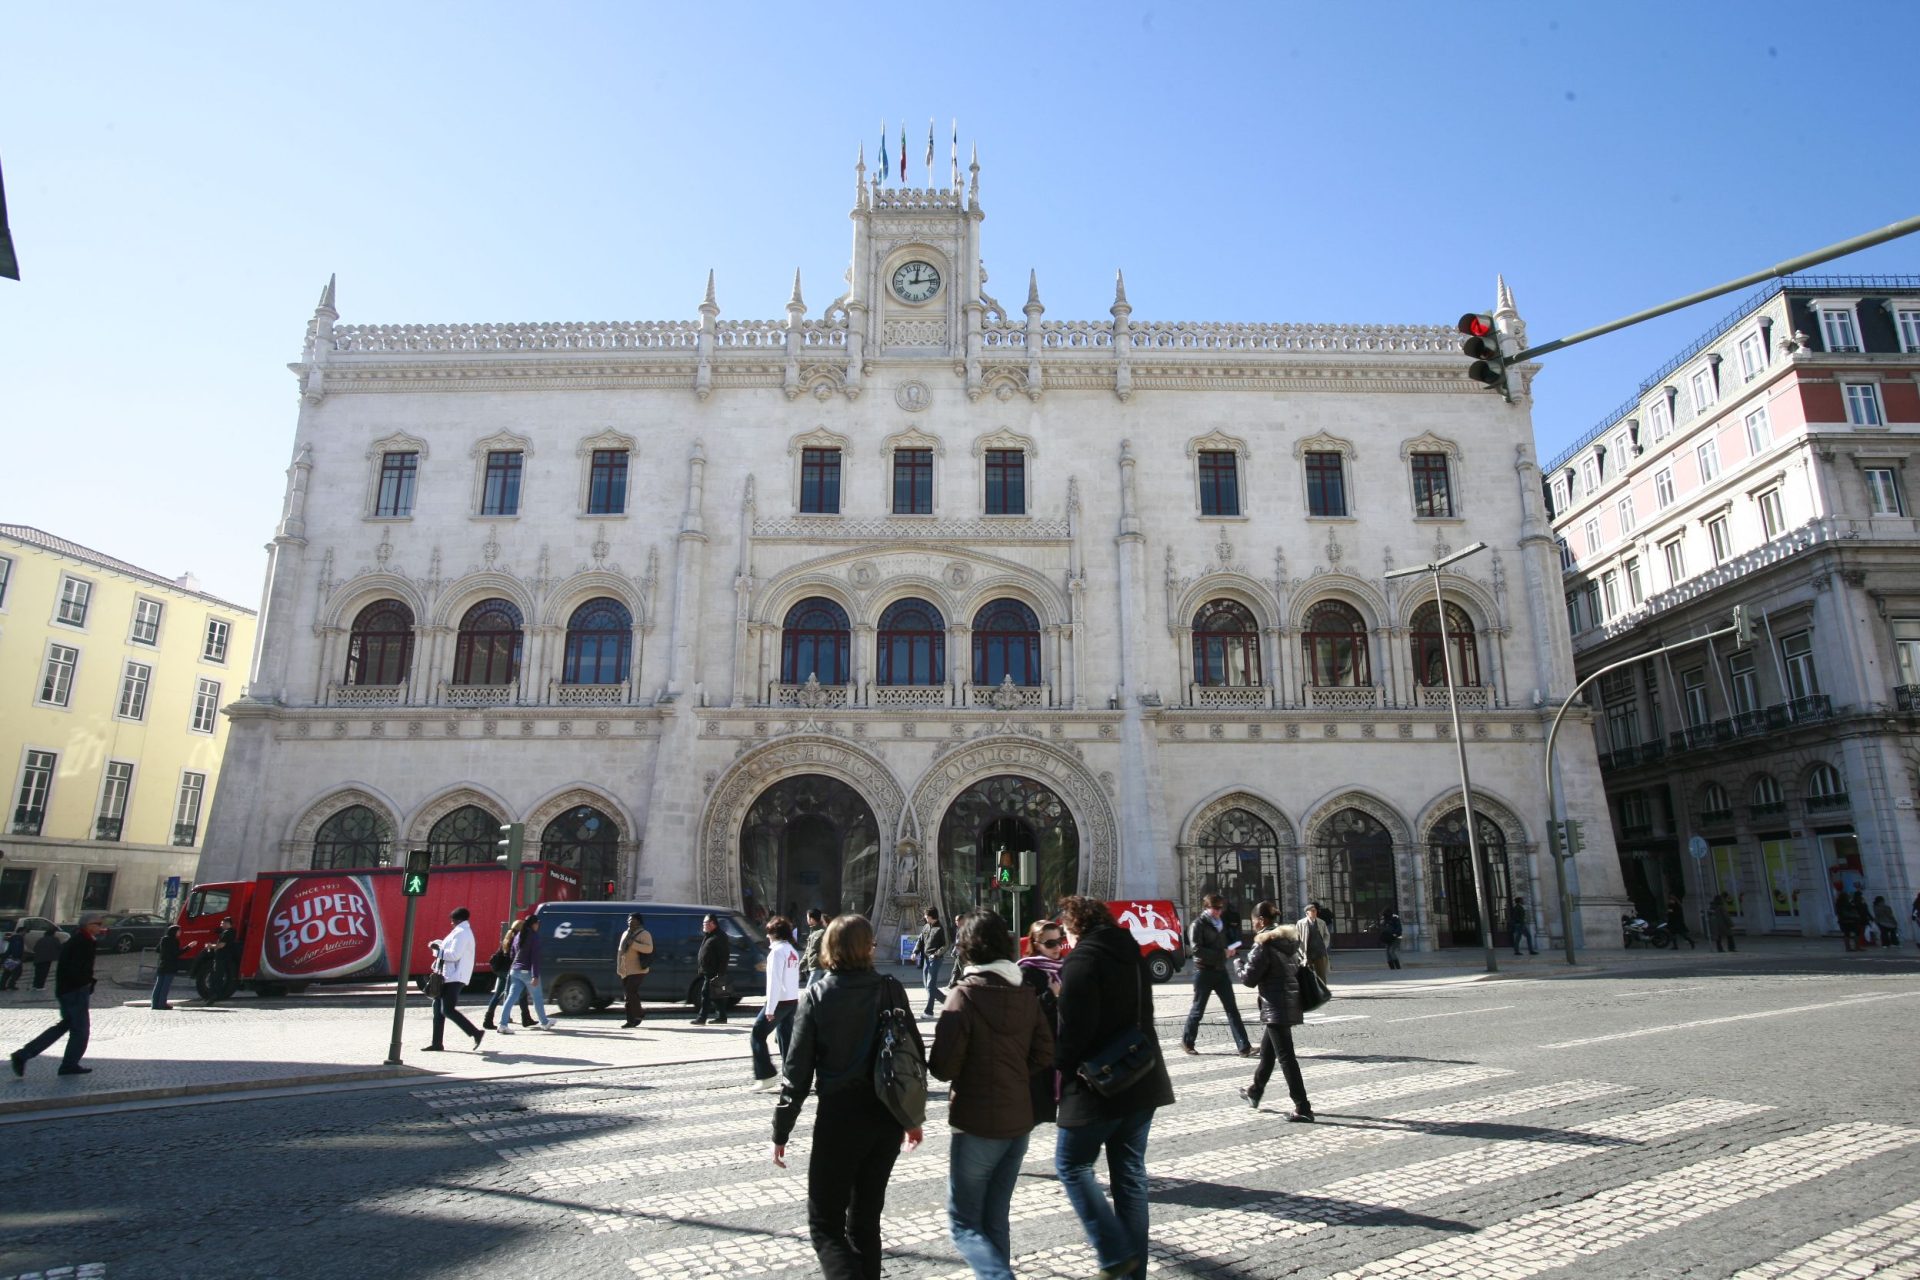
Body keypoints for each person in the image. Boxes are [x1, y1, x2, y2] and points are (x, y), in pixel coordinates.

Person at [772, 914, 925, 1280]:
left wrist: (781, 1131)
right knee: (865, 1222)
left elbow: (796, 1075)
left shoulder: (817, 995)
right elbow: (913, 1055)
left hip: (840, 1117)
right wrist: (911, 1119)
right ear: (868, 947)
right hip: (885, 1116)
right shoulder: (890, 988)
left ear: (828, 949)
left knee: (825, 1226)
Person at [1052, 896, 1174, 1280]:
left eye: (1066, 930)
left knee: (1071, 1165)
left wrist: (1058, 1067)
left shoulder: (1082, 961)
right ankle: (1133, 1271)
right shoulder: (1133, 953)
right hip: (1142, 1076)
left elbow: (1075, 1032)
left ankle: (1113, 1251)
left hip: (1098, 1085)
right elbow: (1145, 1013)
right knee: (1130, 1175)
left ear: (1075, 925)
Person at [929, 910, 1054, 1279]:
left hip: (977, 1122)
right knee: (995, 1217)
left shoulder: (962, 996)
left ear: (967, 949)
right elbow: (1045, 1053)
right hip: (1019, 1123)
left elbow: (942, 1067)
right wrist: (1014, 1076)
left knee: (964, 1223)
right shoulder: (1026, 993)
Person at [1235, 902, 1314, 1122]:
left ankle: (1303, 1107)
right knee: (1268, 1053)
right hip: (1288, 1002)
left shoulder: (1263, 944)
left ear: (1261, 920)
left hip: (1276, 1006)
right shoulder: (1287, 941)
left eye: (1253, 922)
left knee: (1286, 1058)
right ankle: (1255, 1091)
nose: (1253, 926)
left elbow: (1249, 979)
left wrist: (1237, 965)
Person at [11, 915, 107, 1077]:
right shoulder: (82, 941)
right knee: (81, 1030)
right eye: (96, 924)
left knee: (65, 1026)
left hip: (70, 989)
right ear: (87, 926)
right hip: (75, 991)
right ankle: (68, 1065)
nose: (100, 927)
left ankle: (24, 1054)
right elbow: (75, 967)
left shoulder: (83, 940)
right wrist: (85, 983)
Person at [1180, 893, 1251, 1057]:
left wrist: (1231, 949)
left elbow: (1222, 944)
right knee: (1198, 1009)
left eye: (1221, 907)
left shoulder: (1220, 924)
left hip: (1220, 971)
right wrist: (1222, 953)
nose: (1219, 911)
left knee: (1232, 1009)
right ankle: (1187, 1042)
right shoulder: (1197, 924)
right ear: (1207, 907)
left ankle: (1244, 1046)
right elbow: (1196, 950)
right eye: (1216, 908)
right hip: (1203, 971)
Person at [1017, 919, 1066, 1126]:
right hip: (1041, 1050)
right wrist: (1051, 995)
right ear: (1036, 944)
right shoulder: (1026, 971)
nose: (1057, 948)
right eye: (1050, 943)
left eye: (1059, 941)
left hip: (1065, 1047)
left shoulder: (1066, 967)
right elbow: (1024, 1012)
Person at [424, 907, 485, 1052]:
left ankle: (476, 1032)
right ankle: (436, 1043)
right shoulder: (460, 932)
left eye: (452, 921)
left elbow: (454, 955)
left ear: (456, 920)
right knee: (438, 1010)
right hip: (448, 976)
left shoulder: (462, 933)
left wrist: (436, 950)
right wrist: (438, 946)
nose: (451, 924)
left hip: (454, 976)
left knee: (447, 1010)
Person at [751, 916, 802, 1090]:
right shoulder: (792, 951)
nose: (767, 936)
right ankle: (793, 1077)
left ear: (775, 934)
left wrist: (770, 1008)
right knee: (785, 1039)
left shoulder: (776, 953)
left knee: (757, 1034)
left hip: (779, 1001)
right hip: (791, 1000)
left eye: (769, 933)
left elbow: (774, 982)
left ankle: (766, 1075)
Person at [493, 914, 557, 1034]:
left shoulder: (518, 935)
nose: (538, 925)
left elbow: (512, 953)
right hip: (527, 971)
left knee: (511, 998)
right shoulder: (534, 937)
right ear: (534, 924)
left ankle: (502, 1024)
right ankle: (544, 1022)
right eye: (538, 923)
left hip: (515, 971)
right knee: (537, 997)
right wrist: (535, 975)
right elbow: (535, 958)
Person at [482, 920, 535, 1030]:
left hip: (501, 970)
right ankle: (525, 1019)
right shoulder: (518, 938)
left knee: (498, 995)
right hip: (509, 970)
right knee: (520, 993)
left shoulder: (507, 937)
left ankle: (488, 1020)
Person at [616, 912, 654, 1028]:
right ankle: (630, 1020)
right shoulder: (625, 933)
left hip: (638, 969)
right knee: (628, 995)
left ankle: (639, 1014)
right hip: (625, 970)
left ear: (639, 921)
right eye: (628, 920)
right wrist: (619, 967)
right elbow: (620, 951)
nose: (630, 922)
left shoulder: (644, 934)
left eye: (632, 920)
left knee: (630, 992)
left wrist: (634, 944)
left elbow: (649, 949)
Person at [692, 913, 731, 1025]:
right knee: (717, 995)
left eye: (706, 923)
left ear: (713, 923)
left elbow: (724, 956)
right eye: (703, 923)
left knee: (705, 994)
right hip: (709, 971)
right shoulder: (709, 935)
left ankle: (701, 1018)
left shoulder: (719, 936)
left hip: (714, 972)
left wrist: (720, 974)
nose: (703, 925)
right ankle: (721, 1017)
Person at [910, 907, 949, 1018]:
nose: (925, 917)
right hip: (926, 959)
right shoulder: (926, 926)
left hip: (935, 959)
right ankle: (949, 1003)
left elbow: (946, 945)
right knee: (928, 986)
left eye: (926, 916)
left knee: (930, 986)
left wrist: (936, 954)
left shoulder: (941, 928)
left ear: (932, 916)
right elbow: (920, 940)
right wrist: (915, 952)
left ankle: (929, 1011)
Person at [1296, 902, 1331, 985]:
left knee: (1321, 975)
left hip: (1320, 952)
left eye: (1315, 911)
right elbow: (1296, 938)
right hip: (1307, 953)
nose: (1315, 912)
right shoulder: (1300, 923)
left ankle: (1323, 993)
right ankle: (1310, 993)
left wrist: (1324, 945)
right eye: (1312, 911)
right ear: (1307, 913)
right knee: (1307, 974)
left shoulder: (1321, 922)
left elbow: (1327, 935)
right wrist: (1300, 950)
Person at [151, 925, 182, 1009]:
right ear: (174, 932)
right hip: (170, 965)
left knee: (158, 985)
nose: (180, 932)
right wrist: (189, 947)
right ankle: (161, 1004)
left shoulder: (164, 939)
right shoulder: (174, 941)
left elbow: (157, 949)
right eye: (179, 931)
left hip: (162, 964)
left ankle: (154, 1004)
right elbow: (177, 953)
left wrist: (164, 952)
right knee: (165, 986)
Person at [800, 908, 827, 988]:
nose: (807, 920)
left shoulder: (822, 932)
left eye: (807, 917)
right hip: (813, 968)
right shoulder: (813, 933)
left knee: (809, 992)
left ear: (811, 919)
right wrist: (799, 966)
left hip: (819, 968)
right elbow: (808, 952)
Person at [31, 926, 61, 990]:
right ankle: (40, 986)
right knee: (44, 973)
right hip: (47, 958)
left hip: (38, 958)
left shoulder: (41, 939)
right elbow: (59, 947)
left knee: (38, 973)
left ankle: (35, 985)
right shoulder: (54, 939)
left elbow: (35, 948)